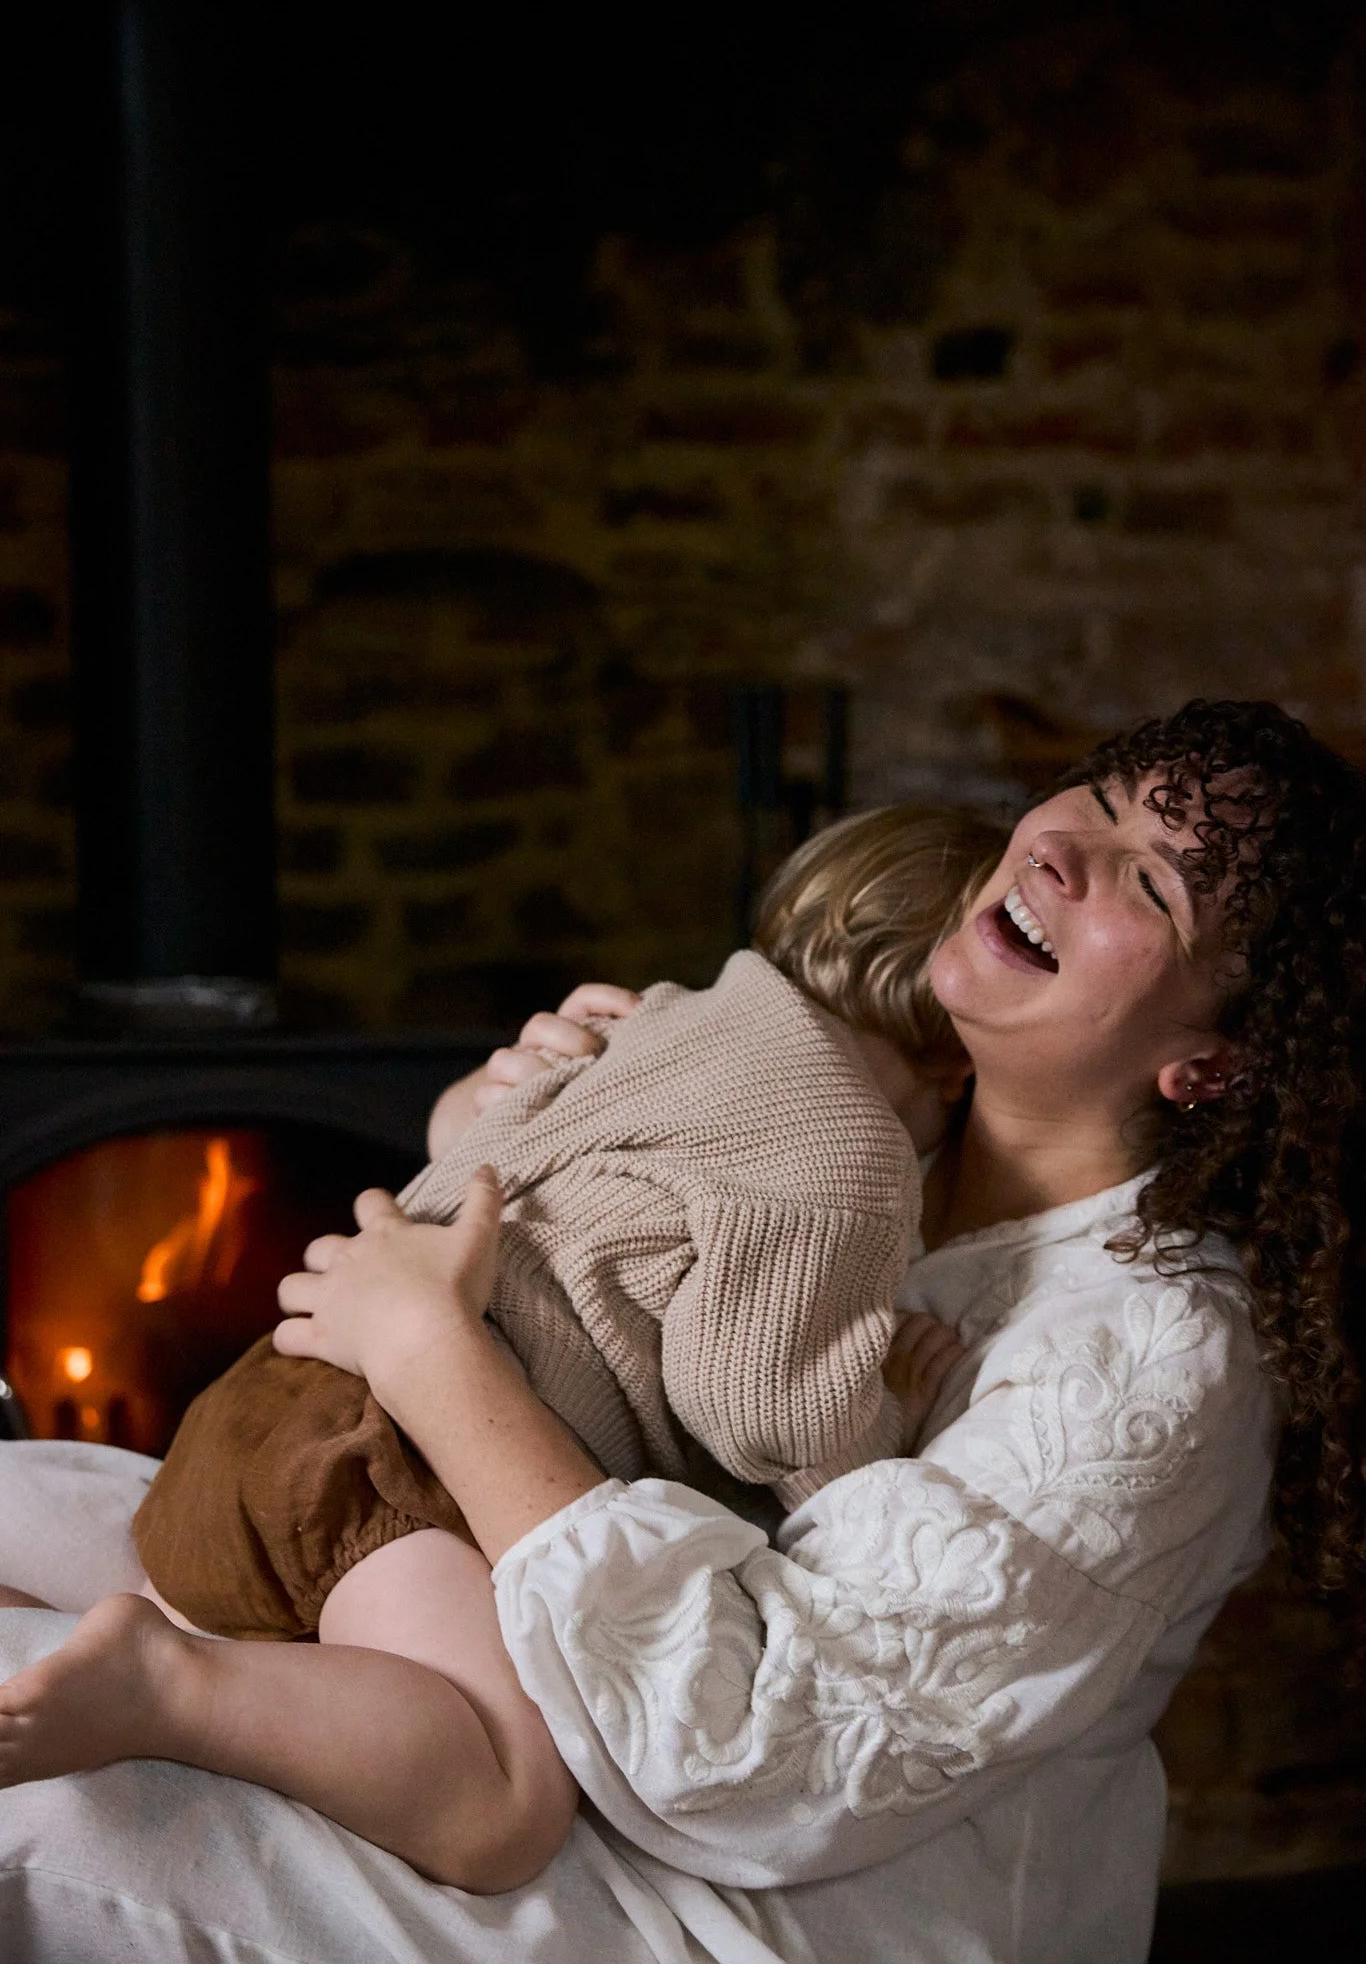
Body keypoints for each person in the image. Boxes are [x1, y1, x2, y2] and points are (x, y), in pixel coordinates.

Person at [1, 697, 1363, 1964]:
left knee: (71, 1815)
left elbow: (755, 1747)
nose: (1068, 849)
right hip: (502, 1600)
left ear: (1213, 1063)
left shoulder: (1151, 1356)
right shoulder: (884, 1122)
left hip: (761, 1899)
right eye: (1102, 800)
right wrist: (522, 1109)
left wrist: (437, 1356)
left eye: (1150, 880)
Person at [0, 805, 1005, 1892]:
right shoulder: (847, 1146)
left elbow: (481, 1141)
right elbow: (760, 1401)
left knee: (268, 1618)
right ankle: (165, 1679)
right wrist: (887, 1413)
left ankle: (76, 1633)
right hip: (394, 1451)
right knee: (504, 1801)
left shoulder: (653, 1017)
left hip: (266, 1392)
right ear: (956, 1069)